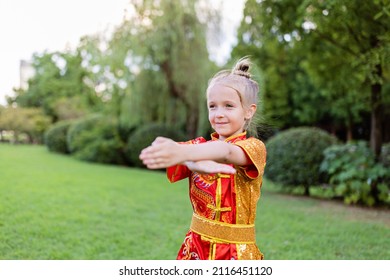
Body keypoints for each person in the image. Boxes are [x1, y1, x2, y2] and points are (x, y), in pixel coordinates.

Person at [139, 57, 266, 260]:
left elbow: (226, 152)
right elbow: (167, 149)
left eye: (229, 106)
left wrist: (185, 154)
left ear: (249, 111)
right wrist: (186, 159)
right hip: (195, 250)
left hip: (236, 255)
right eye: (212, 106)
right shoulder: (197, 147)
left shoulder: (254, 148)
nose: (219, 114)